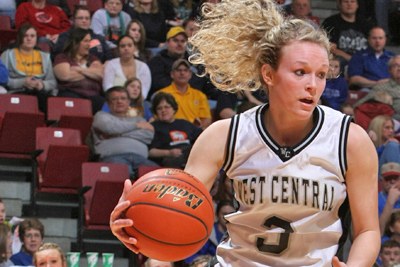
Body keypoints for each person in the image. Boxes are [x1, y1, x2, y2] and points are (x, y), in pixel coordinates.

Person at [110, 0, 380, 266]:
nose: (312, 85)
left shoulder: (349, 140)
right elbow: (177, 212)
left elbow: (368, 230)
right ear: (268, 74)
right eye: (300, 72)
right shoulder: (227, 135)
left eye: (321, 74)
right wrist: (138, 225)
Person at [91, 86, 157, 177]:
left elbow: (148, 135)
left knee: (161, 177)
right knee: (124, 175)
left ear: (128, 102)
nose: (119, 101)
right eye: (114, 99)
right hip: (113, 158)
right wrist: (136, 126)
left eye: (123, 98)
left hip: (141, 159)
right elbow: (109, 128)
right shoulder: (101, 116)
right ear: (108, 103)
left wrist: (116, 134)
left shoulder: (139, 119)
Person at [0, 23, 57, 112]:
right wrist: (23, 82)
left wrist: (42, 85)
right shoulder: (7, 55)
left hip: (40, 92)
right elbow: (4, 80)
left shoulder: (45, 56)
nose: (29, 38)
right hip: (17, 92)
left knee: (46, 101)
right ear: (19, 38)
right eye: (25, 35)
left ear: (36, 38)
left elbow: (53, 82)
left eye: (32, 36)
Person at [53, 27, 104, 114]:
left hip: (94, 96)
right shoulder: (62, 57)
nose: (89, 44)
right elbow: (65, 76)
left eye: (90, 41)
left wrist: (78, 69)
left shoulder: (93, 58)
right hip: (71, 93)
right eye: (85, 41)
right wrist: (90, 72)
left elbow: (100, 75)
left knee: (105, 105)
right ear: (75, 43)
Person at [149, 92, 202, 168]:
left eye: (166, 107)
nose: (163, 110)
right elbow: (151, 152)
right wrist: (169, 153)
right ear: (156, 112)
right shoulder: (154, 127)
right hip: (171, 158)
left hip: (189, 152)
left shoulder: (185, 123)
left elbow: (201, 139)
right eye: (159, 108)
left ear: (174, 109)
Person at [158, 59, 212, 129]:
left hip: (193, 133)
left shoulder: (200, 95)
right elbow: (158, 117)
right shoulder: (162, 94)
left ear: (190, 75)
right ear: (172, 74)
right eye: (178, 70)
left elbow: (206, 119)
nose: (182, 73)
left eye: (185, 70)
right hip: (170, 131)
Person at [321, 0, 375, 68]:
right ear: (339, 4)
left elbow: (374, 45)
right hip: (341, 61)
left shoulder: (366, 24)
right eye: (346, 1)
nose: (349, 4)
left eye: (352, 1)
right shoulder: (330, 23)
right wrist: (351, 59)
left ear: (357, 5)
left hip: (364, 60)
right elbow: (330, 47)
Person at [354, 55, 400, 122]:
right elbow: (360, 104)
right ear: (389, 70)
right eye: (396, 66)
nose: (399, 68)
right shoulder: (382, 87)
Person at [347, 27, 394, 91]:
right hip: (368, 90)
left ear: (385, 39)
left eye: (380, 38)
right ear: (368, 39)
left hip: (391, 89)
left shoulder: (393, 57)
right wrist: (377, 84)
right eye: (374, 38)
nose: (377, 41)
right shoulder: (358, 56)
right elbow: (354, 79)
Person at [379, 163, 400, 236]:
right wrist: (389, 203)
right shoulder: (375, 201)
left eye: (396, 178)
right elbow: (379, 232)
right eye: (388, 178)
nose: (392, 181)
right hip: (384, 244)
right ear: (381, 181)